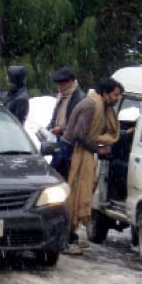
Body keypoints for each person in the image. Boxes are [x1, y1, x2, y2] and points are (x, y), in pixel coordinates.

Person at [63, 77, 123, 255]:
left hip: (79, 153)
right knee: (72, 196)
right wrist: (99, 149)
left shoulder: (100, 106)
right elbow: (79, 134)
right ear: (105, 94)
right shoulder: (91, 106)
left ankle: (70, 235)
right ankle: (65, 239)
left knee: (79, 192)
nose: (118, 98)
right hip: (72, 155)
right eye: (116, 94)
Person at [47, 66, 86, 178]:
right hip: (59, 138)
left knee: (59, 171)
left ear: (70, 82)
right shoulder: (62, 95)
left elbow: (78, 124)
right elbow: (57, 113)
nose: (59, 88)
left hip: (69, 141)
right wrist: (51, 125)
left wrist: (62, 130)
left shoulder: (79, 98)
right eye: (58, 85)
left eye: (62, 84)